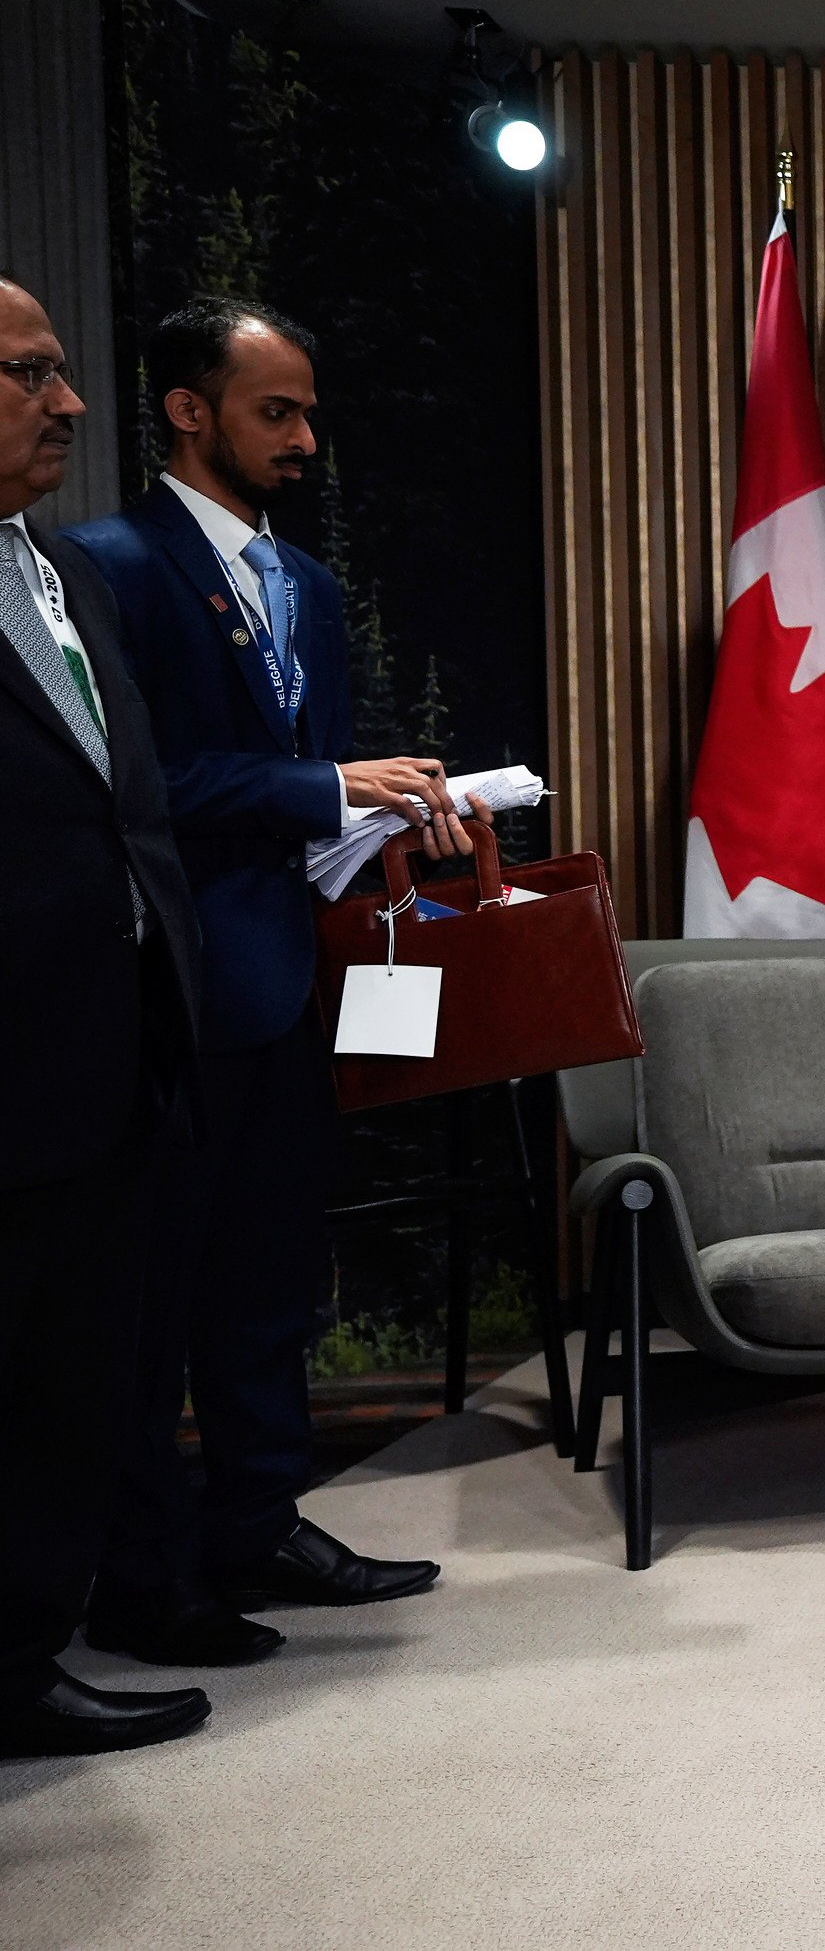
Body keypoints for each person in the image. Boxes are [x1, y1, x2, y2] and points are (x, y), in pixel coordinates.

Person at [66, 298, 477, 1669]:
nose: (304, 438)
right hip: (168, 993)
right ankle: (146, 1571)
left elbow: (308, 785)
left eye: (308, 412)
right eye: (274, 411)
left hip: (295, 975)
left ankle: (259, 1521)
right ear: (189, 409)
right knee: (159, 1294)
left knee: (270, 1277)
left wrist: (391, 807)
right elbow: (132, 787)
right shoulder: (101, 568)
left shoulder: (299, 581)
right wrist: (322, 784)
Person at [0, 277, 214, 1757]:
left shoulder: (63, 576)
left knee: (68, 1376)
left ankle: (23, 1655)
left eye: (63, 371)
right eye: (30, 372)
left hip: (105, 1051)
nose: (70, 403)